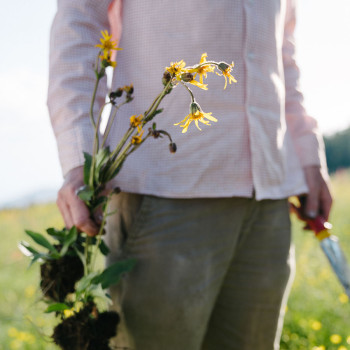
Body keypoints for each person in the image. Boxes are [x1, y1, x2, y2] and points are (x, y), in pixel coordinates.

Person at [48, 0, 333, 349]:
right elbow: (78, 26)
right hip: (163, 196)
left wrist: (308, 156)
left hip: (268, 200)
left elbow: (283, 53)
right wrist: (81, 159)